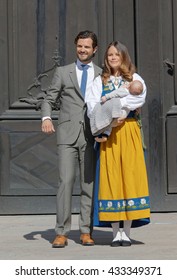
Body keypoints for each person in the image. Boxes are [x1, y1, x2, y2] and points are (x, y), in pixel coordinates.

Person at [41, 30, 102, 248]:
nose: (83, 50)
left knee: (88, 185)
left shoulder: (101, 73)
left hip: (91, 135)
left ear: (94, 49)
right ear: (76, 47)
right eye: (79, 46)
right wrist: (47, 117)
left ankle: (86, 231)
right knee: (65, 182)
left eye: (87, 47)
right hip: (67, 135)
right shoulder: (63, 71)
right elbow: (49, 98)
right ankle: (61, 232)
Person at [86, 41, 150, 247]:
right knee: (111, 176)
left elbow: (138, 99)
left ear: (123, 56)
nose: (113, 57)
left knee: (129, 176)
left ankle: (127, 232)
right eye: (110, 55)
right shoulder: (99, 80)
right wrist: (109, 118)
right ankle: (115, 233)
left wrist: (116, 105)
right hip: (110, 131)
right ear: (106, 58)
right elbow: (92, 104)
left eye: (117, 54)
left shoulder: (134, 78)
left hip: (129, 129)